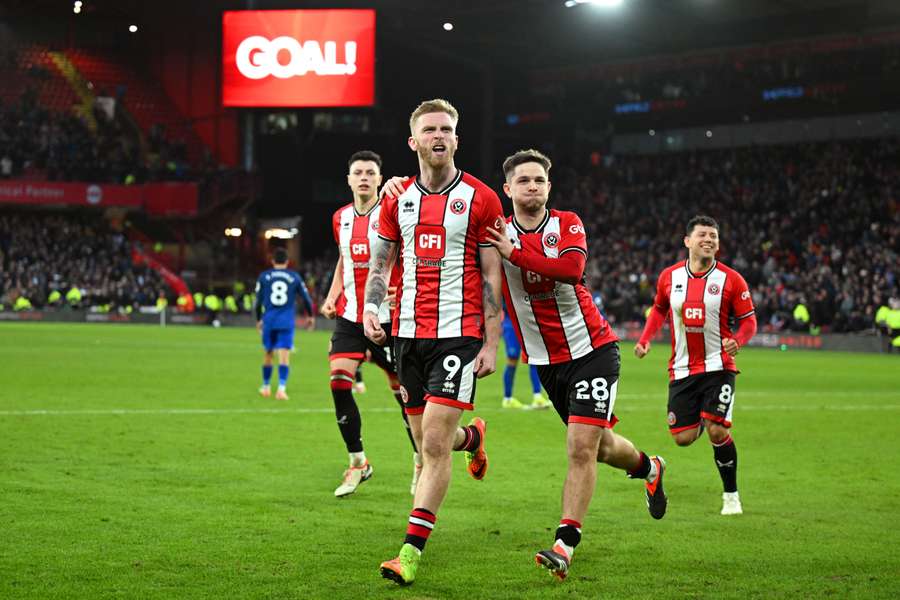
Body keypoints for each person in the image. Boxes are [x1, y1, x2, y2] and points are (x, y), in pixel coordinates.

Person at [486, 149, 667, 581]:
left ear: (549, 187)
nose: (533, 186)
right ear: (507, 189)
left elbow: (571, 268)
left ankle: (565, 543)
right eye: (524, 180)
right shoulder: (493, 233)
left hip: (592, 350)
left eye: (539, 180)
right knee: (600, 447)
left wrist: (515, 254)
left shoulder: (567, 223)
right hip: (547, 362)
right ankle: (649, 467)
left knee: (579, 448)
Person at [363, 98, 504, 586]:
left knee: (435, 446)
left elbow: (492, 273)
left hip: (459, 336)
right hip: (407, 336)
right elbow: (380, 263)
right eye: (430, 129)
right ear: (414, 141)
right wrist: (371, 308)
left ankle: (409, 553)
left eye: (447, 128)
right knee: (427, 444)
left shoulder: (482, 198)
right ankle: (475, 438)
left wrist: (490, 340)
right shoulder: (394, 198)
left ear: (456, 139)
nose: (438, 136)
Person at [634, 215, 757, 516]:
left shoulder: (731, 279)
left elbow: (749, 321)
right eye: (702, 235)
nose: (709, 240)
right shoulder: (669, 277)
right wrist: (646, 339)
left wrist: (738, 341)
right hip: (683, 369)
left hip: (719, 366)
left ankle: (731, 495)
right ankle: (704, 417)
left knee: (717, 430)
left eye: (714, 236)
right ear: (687, 241)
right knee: (683, 438)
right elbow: (659, 308)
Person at [319, 150, 420, 498]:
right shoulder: (340, 218)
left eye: (370, 172)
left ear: (380, 178)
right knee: (338, 382)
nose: (363, 177)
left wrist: (402, 291)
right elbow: (343, 260)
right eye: (357, 172)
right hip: (350, 317)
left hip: (389, 318)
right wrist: (332, 295)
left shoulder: (394, 211)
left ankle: (421, 460)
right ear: (348, 179)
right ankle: (358, 461)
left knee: (406, 396)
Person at [254, 247, 314, 400]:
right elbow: (306, 299)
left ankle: (266, 387)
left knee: (268, 353)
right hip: (286, 321)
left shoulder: (264, 276)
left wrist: (259, 319)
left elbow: (258, 301)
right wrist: (310, 315)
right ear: (288, 262)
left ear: (273, 261)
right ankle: (281, 389)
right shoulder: (294, 277)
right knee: (284, 355)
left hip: (269, 320)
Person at [501, 305, 549, 409]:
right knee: (512, 359)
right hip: (511, 324)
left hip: (527, 323)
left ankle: (538, 396)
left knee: (534, 358)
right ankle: (507, 398)